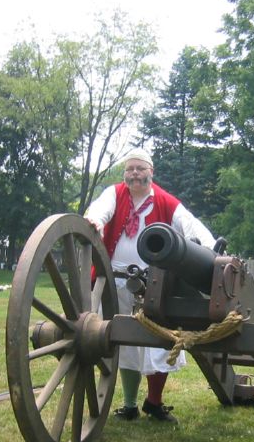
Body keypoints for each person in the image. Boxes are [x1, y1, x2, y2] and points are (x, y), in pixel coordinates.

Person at [84, 148, 216, 423]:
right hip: (115, 283)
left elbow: (189, 224)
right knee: (123, 342)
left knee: (159, 344)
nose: (134, 173)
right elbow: (101, 210)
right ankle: (130, 404)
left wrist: (212, 248)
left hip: (155, 284)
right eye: (130, 169)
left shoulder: (165, 201)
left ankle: (153, 402)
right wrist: (95, 221)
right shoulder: (115, 194)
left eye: (140, 169)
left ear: (150, 172)